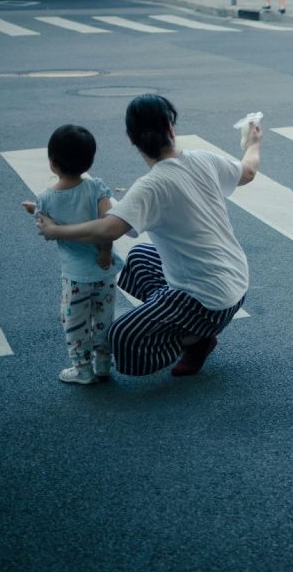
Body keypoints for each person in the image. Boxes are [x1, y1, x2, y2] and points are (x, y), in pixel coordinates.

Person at [35, 96, 262, 379]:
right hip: (236, 284)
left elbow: (108, 229)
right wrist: (253, 142)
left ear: (132, 140)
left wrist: (55, 231)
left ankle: (194, 339)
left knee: (122, 340)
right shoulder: (203, 158)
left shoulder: (151, 186)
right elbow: (248, 172)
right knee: (139, 258)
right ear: (171, 128)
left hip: (207, 301)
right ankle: (189, 326)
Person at [22, 125, 123, 385]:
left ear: (53, 164)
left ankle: (82, 368)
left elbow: (48, 226)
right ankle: (103, 363)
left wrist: (35, 209)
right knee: (104, 318)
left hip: (76, 277)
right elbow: (108, 222)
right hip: (104, 271)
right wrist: (105, 252)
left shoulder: (46, 198)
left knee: (75, 322)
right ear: (89, 160)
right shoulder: (96, 188)